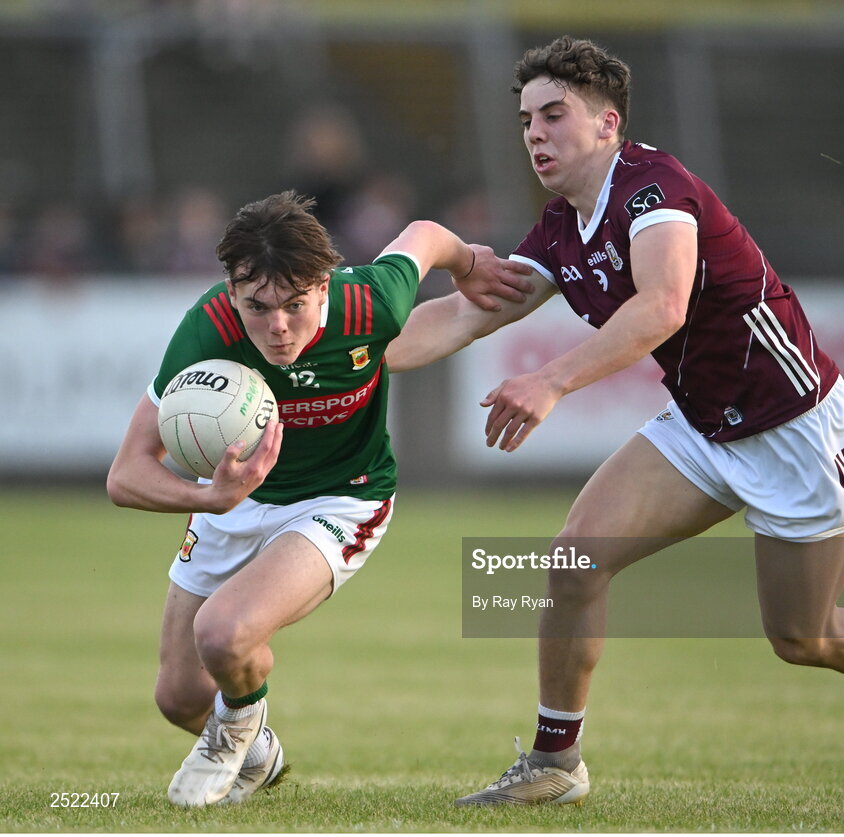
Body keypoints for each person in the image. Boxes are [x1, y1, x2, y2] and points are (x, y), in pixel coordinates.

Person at [384, 36, 844, 805]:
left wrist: (550, 380)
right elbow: (458, 321)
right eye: (525, 121)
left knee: (803, 637)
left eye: (554, 115)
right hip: (704, 427)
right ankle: (554, 761)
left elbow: (662, 305)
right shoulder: (558, 229)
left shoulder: (654, 188)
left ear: (608, 125)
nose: (535, 133)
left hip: (798, 432)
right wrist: (347, 354)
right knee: (575, 557)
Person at [106, 190, 532, 807]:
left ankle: (233, 735)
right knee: (179, 698)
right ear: (231, 291)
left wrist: (467, 264)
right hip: (236, 503)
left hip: (340, 499)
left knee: (224, 634)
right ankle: (260, 752)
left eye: (295, 306)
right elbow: (125, 475)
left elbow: (423, 233)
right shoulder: (208, 331)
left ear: (326, 286)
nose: (277, 327)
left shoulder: (371, 299)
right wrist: (212, 496)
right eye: (258, 307)